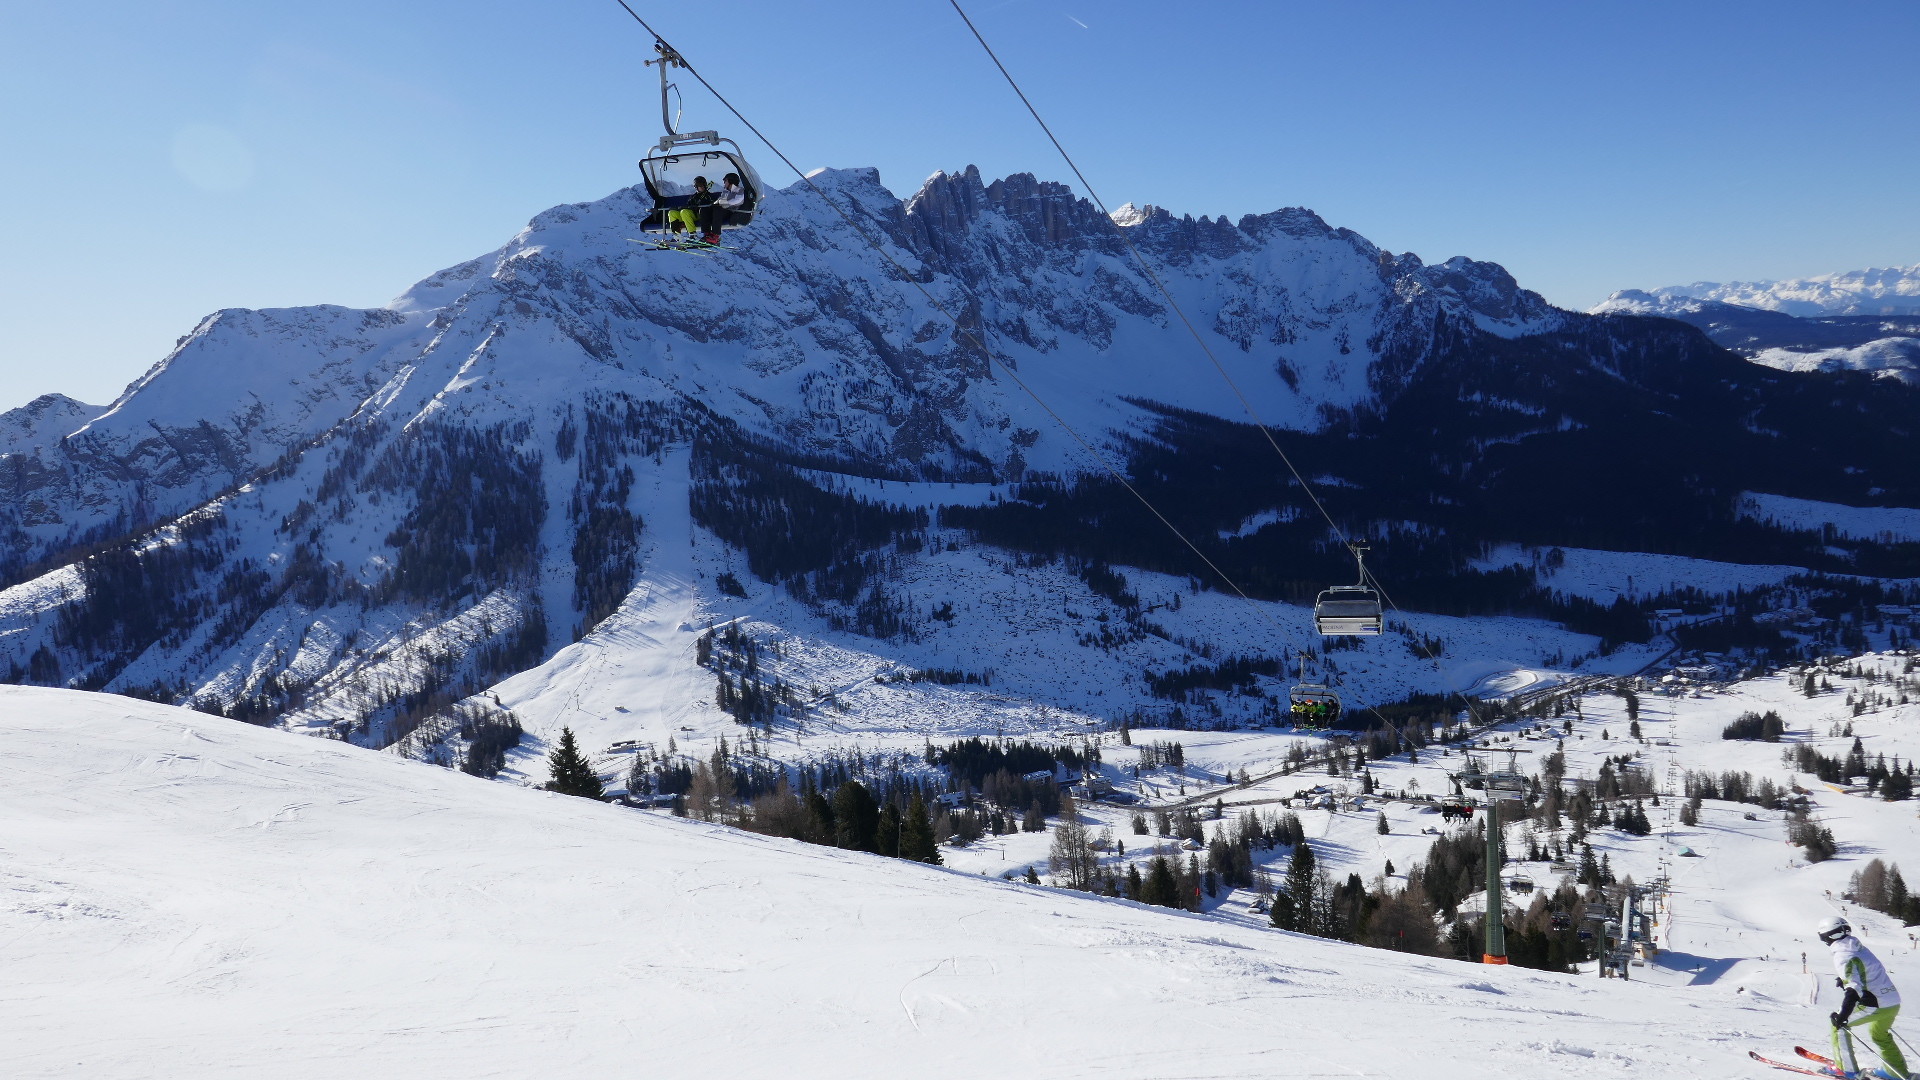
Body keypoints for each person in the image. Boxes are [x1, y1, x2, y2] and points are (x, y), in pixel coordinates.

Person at [1819, 915, 1909, 1079]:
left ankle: (1846, 1070)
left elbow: (1853, 989)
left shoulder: (1842, 955)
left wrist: (1843, 1016)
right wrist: (1844, 979)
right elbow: (1866, 970)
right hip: (1892, 1001)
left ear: (1826, 937)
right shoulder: (1858, 948)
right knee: (1879, 1034)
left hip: (1875, 1004)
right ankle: (1895, 1072)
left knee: (1838, 1027)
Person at [697, 172, 748, 244]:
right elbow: (720, 199)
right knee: (704, 210)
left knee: (718, 209)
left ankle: (715, 236)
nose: (724, 182)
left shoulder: (739, 190)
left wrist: (722, 203)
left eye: (725, 180)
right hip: (721, 209)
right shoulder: (725, 191)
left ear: (731, 181)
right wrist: (714, 204)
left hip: (731, 212)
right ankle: (707, 234)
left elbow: (736, 200)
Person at [666, 176, 715, 245]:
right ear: (696, 187)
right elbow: (688, 204)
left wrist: (700, 205)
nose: (702, 187)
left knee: (684, 212)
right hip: (690, 215)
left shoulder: (708, 196)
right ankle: (677, 236)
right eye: (700, 185)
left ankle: (693, 235)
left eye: (703, 185)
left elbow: (710, 205)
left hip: (701, 215)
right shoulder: (693, 197)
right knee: (672, 213)